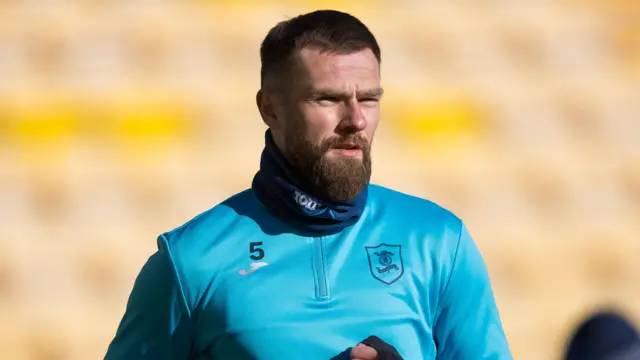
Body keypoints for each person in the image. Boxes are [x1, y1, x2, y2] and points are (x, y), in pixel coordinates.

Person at [104, 9, 512, 360]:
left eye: (369, 98)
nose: (356, 120)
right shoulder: (191, 260)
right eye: (327, 99)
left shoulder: (438, 240)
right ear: (270, 108)